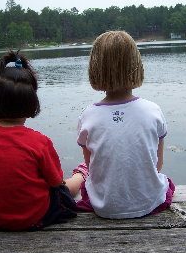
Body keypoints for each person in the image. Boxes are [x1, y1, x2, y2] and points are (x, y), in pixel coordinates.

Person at [0, 51, 85, 231]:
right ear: (31, 104)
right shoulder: (39, 141)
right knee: (63, 189)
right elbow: (55, 181)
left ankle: (80, 175)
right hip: (35, 219)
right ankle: (82, 174)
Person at [75, 31, 175, 219]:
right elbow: (157, 164)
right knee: (166, 183)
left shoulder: (88, 116)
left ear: (95, 68)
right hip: (147, 203)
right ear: (137, 66)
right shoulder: (153, 110)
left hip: (104, 207)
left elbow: (92, 168)